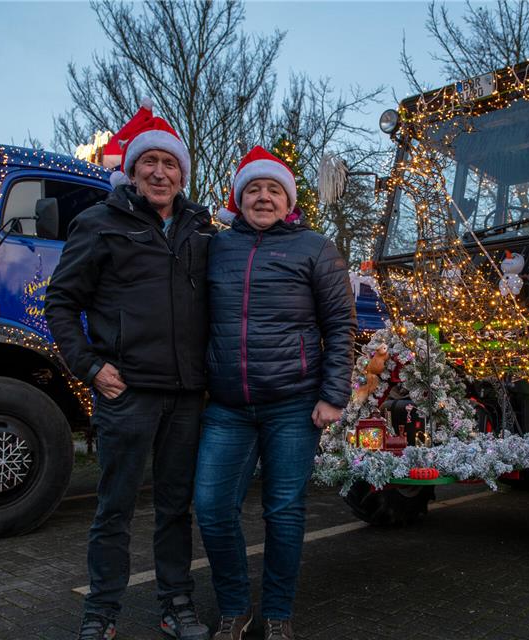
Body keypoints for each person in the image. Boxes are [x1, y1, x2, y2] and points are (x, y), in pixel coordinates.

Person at [45, 103, 214, 640]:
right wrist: (90, 366)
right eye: (150, 163)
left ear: (183, 174)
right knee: (114, 507)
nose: (160, 172)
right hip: (127, 393)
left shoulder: (202, 230)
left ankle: (176, 604)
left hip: (188, 396)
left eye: (171, 163)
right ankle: (102, 611)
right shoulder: (98, 223)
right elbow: (61, 303)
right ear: (134, 170)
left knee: (174, 507)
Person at [194, 147, 355, 640]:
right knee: (212, 506)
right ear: (239, 199)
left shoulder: (315, 248)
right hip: (227, 406)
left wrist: (334, 395)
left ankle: (279, 614)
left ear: (289, 200)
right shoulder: (215, 247)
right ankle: (236, 608)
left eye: (274, 189)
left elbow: (341, 325)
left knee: (284, 509)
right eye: (254, 189)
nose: (263, 197)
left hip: (293, 404)